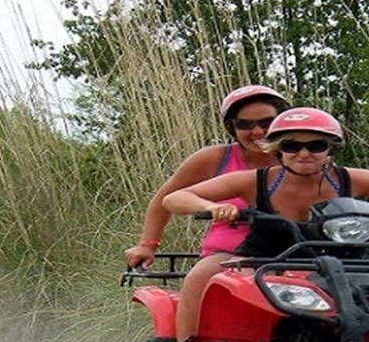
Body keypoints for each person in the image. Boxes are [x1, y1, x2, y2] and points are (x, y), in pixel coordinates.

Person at [162, 107, 369, 342]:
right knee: (203, 273)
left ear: (330, 148)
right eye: (291, 146)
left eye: (316, 145)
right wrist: (211, 207)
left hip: (341, 265)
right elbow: (175, 198)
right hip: (261, 260)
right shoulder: (256, 181)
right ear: (278, 150)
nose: (304, 153)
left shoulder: (350, 178)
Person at [123, 85, 291, 268]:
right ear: (232, 128)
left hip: (297, 254)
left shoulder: (302, 158)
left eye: (267, 122)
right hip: (226, 256)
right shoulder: (214, 158)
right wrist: (147, 245)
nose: (257, 131)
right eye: (244, 124)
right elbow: (165, 199)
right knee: (203, 274)